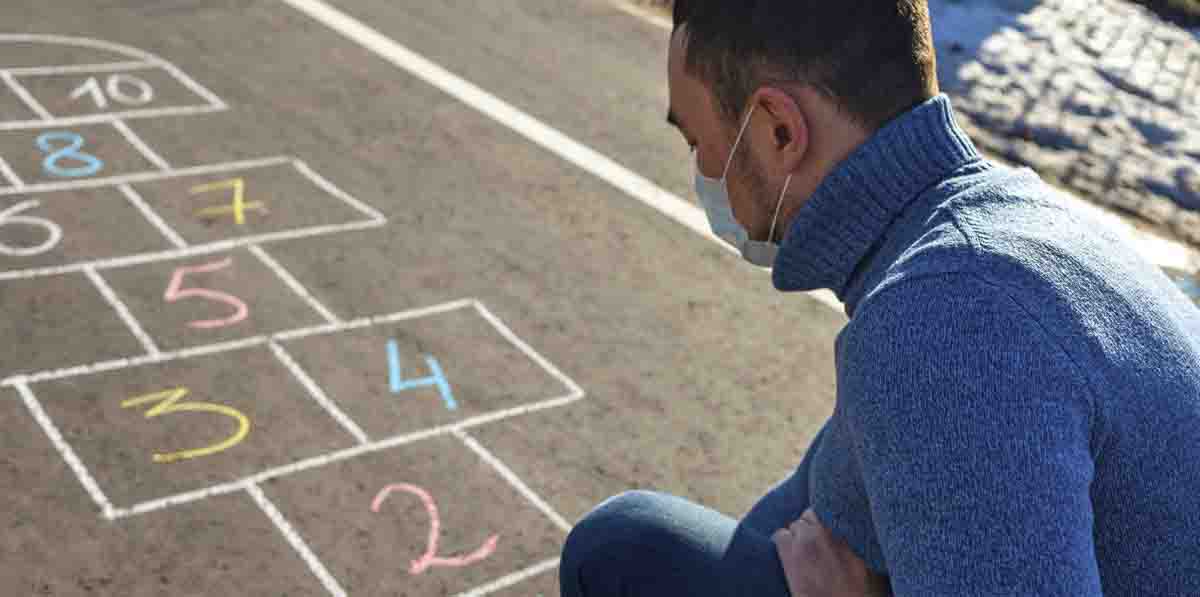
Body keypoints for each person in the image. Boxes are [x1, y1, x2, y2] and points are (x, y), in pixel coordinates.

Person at [559, 1, 1200, 595]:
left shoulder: (944, 324)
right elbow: (814, 501)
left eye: (699, 142)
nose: (702, 172)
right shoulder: (1001, 225)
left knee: (622, 550)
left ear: (780, 131)